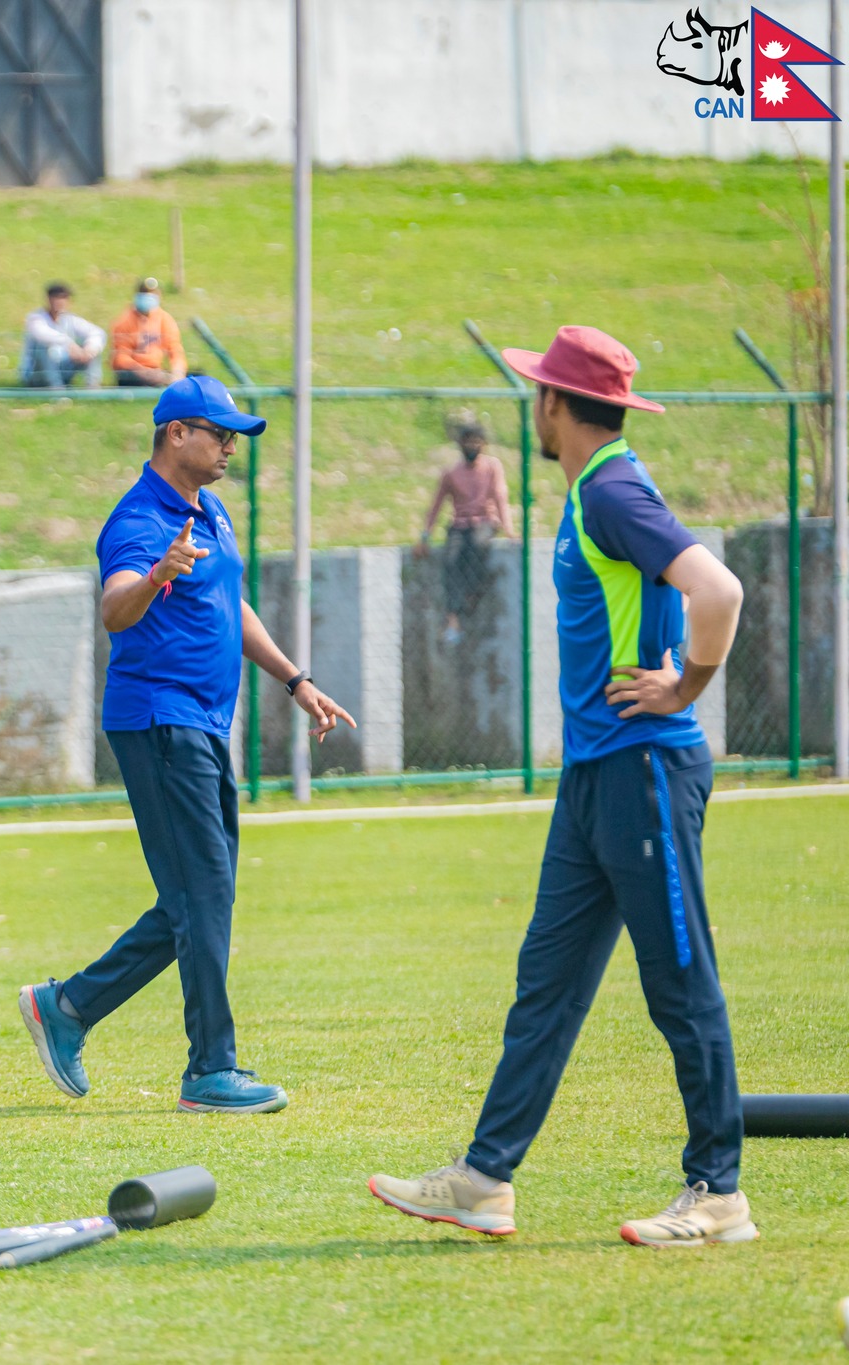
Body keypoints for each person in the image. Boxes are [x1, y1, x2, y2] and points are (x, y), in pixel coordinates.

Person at [369, 326, 753, 1248]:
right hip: (596, 776)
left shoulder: (614, 488)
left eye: (535, 390)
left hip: (645, 767)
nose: (528, 405)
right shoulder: (596, 487)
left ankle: (719, 1194)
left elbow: (719, 590)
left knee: (679, 976)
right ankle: (484, 1179)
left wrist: (686, 686)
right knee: (547, 979)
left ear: (553, 404)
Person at [17, 376, 356, 1113]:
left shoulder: (212, 511)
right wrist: (158, 575)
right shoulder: (140, 519)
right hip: (161, 722)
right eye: (220, 432)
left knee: (198, 897)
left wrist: (295, 679)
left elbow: (226, 601)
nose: (232, 445)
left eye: (236, 434)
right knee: (203, 894)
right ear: (176, 433)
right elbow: (115, 607)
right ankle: (210, 1068)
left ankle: (68, 1006)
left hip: (201, 720)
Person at [416, 417, 514, 643]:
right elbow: (436, 506)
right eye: (467, 441)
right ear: (459, 444)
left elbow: (500, 497)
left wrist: (508, 529)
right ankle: (453, 617)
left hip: (484, 522)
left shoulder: (492, 467)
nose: (472, 446)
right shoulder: (451, 473)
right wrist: (425, 536)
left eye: (476, 441)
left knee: (477, 547)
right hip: (460, 524)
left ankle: (470, 599)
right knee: (450, 560)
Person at [19, 283, 105, 388]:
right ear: (48, 299)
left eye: (64, 298)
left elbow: (96, 332)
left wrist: (89, 349)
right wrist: (69, 344)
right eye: (57, 297)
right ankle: (57, 390)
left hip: (63, 368)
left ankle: (92, 388)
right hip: (37, 374)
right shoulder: (36, 318)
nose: (61, 302)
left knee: (92, 349)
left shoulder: (70, 319)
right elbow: (42, 334)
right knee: (42, 346)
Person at [110, 277, 187, 388]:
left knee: (196, 376)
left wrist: (177, 372)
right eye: (145, 293)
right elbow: (121, 358)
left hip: (157, 370)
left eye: (153, 294)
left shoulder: (165, 319)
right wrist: (143, 372)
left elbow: (175, 350)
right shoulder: (124, 321)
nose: (149, 297)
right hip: (132, 373)